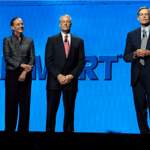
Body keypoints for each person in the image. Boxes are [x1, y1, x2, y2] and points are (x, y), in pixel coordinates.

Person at [45, 14, 85, 132]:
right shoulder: (51, 40)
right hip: (54, 81)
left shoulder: (79, 41)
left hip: (71, 82)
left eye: (68, 22)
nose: (66, 23)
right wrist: (59, 75)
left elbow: (81, 62)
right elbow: (48, 61)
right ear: (59, 24)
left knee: (69, 113)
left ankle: (69, 141)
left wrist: (71, 76)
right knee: (51, 112)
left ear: (71, 24)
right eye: (63, 21)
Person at [3, 17, 35, 131]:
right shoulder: (7, 40)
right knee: (11, 104)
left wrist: (25, 71)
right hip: (12, 75)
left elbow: (32, 59)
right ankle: (9, 131)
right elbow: (7, 58)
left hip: (26, 75)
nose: (21, 26)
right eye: (18, 24)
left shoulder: (29, 41)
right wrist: (22, 65)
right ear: (12, 27)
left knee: (25, 106)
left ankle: (23, 132)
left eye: (22, 23)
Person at [123, 7, 150, 134]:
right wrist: (134, 54)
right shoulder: (131, 34)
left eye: (147, 14)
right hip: (137, 77)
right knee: (140, 109)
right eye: (142, 15)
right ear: (138, 18)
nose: (144, 16)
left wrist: (148, 52)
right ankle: (144, 136)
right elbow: (126, 56)